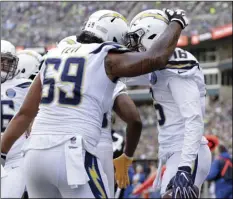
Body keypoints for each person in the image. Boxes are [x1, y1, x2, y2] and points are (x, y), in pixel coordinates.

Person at [1, 9, 188, 198]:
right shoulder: (104, 56)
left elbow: (25, 113)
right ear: (113, 36)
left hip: (34, 156)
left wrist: (2, 153)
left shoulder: (52, 56)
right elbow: (156, 58)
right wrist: (176, 22)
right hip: (72, 153)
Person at [125, 9, 211, 198]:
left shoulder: (176, 66)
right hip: (175, 154)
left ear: (153, 36)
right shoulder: (158, 65)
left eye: (137, 39)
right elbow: (123, 76)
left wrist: (185, 167)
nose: (133, 46)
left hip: (187, 154)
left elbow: (194, 118)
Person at [58, 35, 142, 198]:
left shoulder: (54, 74)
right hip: (95, 144)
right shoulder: (100, 71)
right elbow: (134, 119)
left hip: (54, 145)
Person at [1, 41, 42, 198]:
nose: (4, 65)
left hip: (15, 159)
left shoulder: (24, 86)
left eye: (7, 61)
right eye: (0, 61)